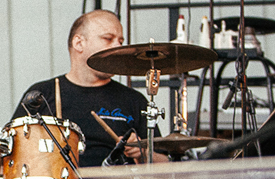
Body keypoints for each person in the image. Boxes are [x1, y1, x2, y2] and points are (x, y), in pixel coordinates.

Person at [12, 10, 166, 166]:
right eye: (108, 39)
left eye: (120, 41)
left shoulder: (134, 100)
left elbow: (166, 165)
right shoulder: (42, 94)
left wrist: (143, 153)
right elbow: (11, 153)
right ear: (79, 43)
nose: (118, 46)